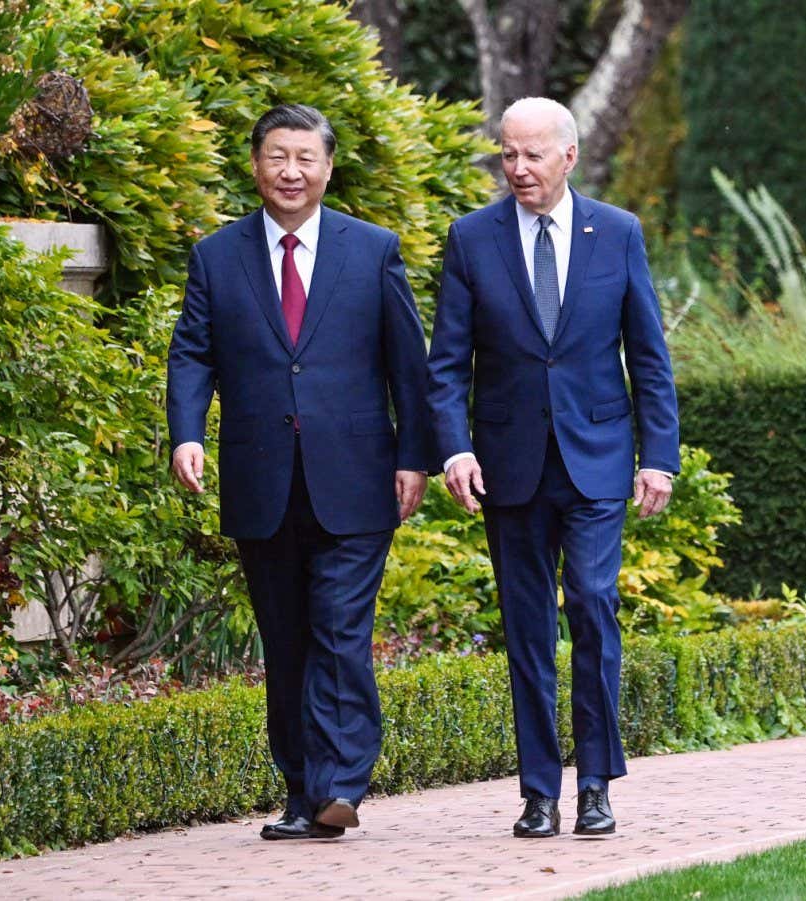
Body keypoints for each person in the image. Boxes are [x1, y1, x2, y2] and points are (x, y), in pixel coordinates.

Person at [167, 104, 431, 841]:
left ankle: (340, 783)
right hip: (262, 479)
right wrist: (187, 434)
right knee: (285, 643)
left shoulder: (372, 249)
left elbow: (408, 364)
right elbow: (192, 353)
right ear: (255, 164)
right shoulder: (216, 256)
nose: (291, 171)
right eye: (277, 157)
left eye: (305, 158)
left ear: (328, 167)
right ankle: (299, 793)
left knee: (340, 630)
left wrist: (415, 455)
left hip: (358, 477)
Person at [426, 97, 679, 838]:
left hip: (596, 459)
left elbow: (649, 357)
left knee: (593, 605)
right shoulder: (472, 238)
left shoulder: (618, 232)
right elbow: (447, 364)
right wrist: (455, 447)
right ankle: (539, 790)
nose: (518, 168)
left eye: (532, 154)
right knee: (527, 629)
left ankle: (595, 782)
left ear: (569, 156)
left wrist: (659, 458)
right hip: (509, 465)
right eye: (507, 154)